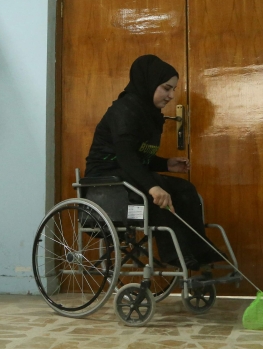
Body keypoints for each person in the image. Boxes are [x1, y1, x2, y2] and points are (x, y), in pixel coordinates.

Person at [84, 54, 221, 269]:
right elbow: (126, 157)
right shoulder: (125, 110)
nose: (171, 95)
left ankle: (199, 249)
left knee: (185, 189)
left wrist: (165, 164)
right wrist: (153, 186)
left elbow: (138, 157)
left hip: (127, 176)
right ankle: (179, 255)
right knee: (159, 193)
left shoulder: (149, 114)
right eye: (166, 88)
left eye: (173, 89)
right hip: (106, 181)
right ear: (148, 83)